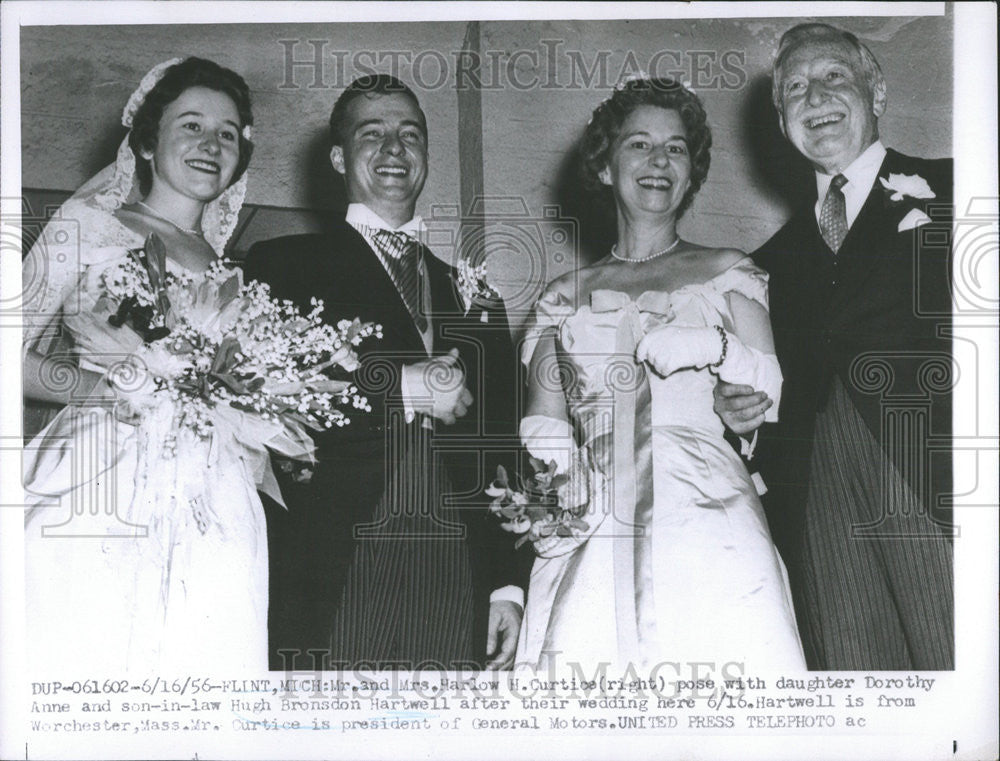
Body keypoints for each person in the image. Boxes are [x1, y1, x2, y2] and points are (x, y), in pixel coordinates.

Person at [515, 77, 805, 672]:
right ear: (604, 166)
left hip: (708, 512)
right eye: (639, 144)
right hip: (594, 521)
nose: (658, 161)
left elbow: (768, 390)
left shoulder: (727, 270)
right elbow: (543, 426)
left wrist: (719, 355)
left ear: (692, 171)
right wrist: (556, 493)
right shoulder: (561, 298)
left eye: (676, 148)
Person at [243, 75, 525, 671]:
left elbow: (499, 444)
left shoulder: (477, 296)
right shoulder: (282, 266)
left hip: (453, 560)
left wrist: (506, 584)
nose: (395, 148)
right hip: (331, 558)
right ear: (340, 157)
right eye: (373, 134)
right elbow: (265, 402)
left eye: (410, 134)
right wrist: (401, 389)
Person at [715, 23, 954, 670]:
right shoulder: (763, 266)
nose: (814, 95)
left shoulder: (962, 191)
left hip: (939, 478)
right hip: (815, 499)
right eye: (794, 87)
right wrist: (738, 411)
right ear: (783, 120)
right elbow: (757, 395)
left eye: (833, 77)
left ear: (876, 89)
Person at [22, 58, 264, 672]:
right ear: (150, 142)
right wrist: (112, 387)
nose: (211, 144)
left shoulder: (235, 273)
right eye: (191, 125)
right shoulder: (88, 226)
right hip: (100, 466)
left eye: (228, 133)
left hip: (216, 485)